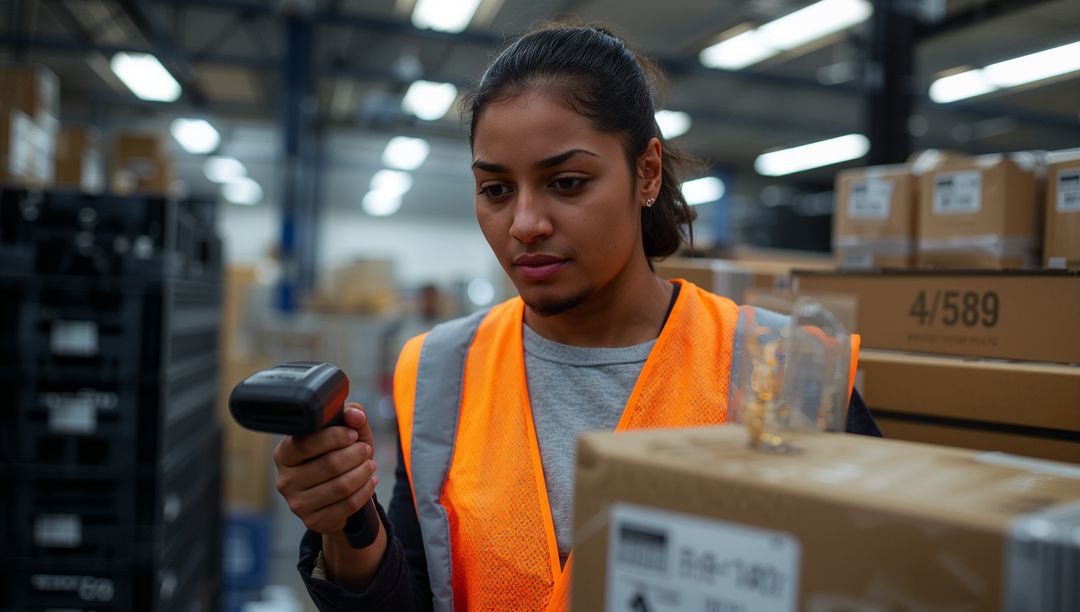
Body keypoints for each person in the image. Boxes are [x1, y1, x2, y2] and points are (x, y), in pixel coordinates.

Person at [272, 23, 881, 612]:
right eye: (496, 190)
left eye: (566, 182)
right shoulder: (439, 370)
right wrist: (347, 522)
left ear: (645, 172)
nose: (524, 224)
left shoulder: (782, 366)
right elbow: (419, 592)